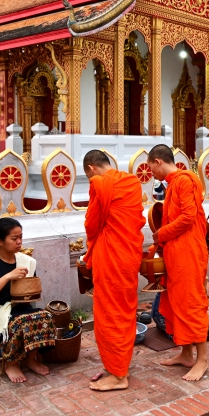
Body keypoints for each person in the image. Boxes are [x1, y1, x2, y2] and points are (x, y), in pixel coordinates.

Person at [82, 150, 145, 391]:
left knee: (109, 313)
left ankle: (119, 376)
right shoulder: (131, 181)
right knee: (125, 311)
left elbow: (92, 224)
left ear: (91, 169)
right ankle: (118, 366)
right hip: (129, 254)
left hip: (111, 255)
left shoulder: (99, 183)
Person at [147, 144, 209, 381]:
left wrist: (161, 234)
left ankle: (202, 359)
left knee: (192, 303)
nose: (151, 172)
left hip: (188, 253)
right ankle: (186, 353)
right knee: (176, 303)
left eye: (151, 167)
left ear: (158, 161)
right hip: (177, 253)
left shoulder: (185, 180)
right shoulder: (174, 183)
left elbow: (187, 217)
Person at [0, 218, 56, 383]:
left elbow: (30, 293)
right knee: (18, 322)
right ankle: (11, 363)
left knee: (45, 316)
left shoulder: (26, 262)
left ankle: (31, 359)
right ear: (0, 241)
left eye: (21, 237)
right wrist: (7, 277)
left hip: (22, 311)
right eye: (14, 238)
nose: (19, 242)